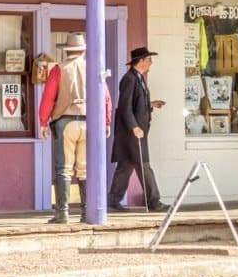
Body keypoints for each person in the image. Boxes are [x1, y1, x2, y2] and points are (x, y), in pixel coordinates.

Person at [38, 32, 112, 223]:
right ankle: (87, 211)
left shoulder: (59, 69)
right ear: (83, 50)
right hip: (90, 122)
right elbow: (105, 98)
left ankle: (62, 212)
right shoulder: (94, 68)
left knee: (64, 168)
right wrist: (106, 121)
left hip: (65, 121)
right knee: (84, 169)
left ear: (67, 49)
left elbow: (48, 97)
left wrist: (43, 121)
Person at [108, 46, 169, 213]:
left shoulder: (138, 78)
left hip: (137, 132)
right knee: (144, 165)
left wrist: (151, 105)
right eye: (149, 59)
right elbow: (124, 107)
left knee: (125, 167)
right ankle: (154, 201)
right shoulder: (129, 79)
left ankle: (113, 200)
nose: (151, 62)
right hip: (132, 134)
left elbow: (136, 104)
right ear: (140, 61)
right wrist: (134, 126)